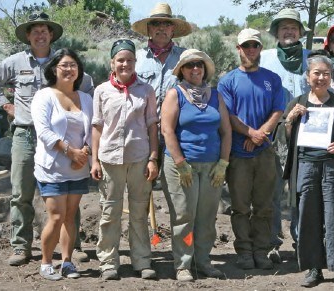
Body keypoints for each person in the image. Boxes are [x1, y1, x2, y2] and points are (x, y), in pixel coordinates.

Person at [0, 12, 93, 266]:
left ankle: (74, 246)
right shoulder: (14, 62)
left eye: (44, 30)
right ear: (28, 35)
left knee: (70, 191)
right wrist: (6, 105)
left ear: (51, 34)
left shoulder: (62, 62)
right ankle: (21, 246)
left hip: (62, 138)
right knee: (21, 192)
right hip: (26, 134)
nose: (39, 34)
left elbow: (87, 86)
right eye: (34, 30)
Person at [283, 51, 334, 287]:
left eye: (326, 73)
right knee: (308, 215)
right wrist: (290, 120)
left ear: (332, 77)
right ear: (308, 77)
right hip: (305, 166)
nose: (321, 78)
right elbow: (284, 137)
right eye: (317, 73)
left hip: (333, 166)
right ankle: (313, 269)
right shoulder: (297, 103)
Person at [90, 39, 160, 280]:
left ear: (135, 62)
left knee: (139, 213)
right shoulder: (101, 91)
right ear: (112, 63)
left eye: (129, 60)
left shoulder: (146, 90)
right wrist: (95, 160)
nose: (125, 64)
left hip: (139, 158)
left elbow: (152, 126)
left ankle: (142, 260)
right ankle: (108, 262)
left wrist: (153, 158)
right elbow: (97, 126)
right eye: (120, 60)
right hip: (110, 159)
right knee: (110, 212)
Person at [161, 49, 232, 281]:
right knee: (184, 215)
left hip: (211, 165)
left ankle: (203, 261)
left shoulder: (215, 95)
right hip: (182, 164)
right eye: (189, 66)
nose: (195, 69)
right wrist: (180, 162)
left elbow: (226, 131)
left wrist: (223, 162)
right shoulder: (175, 94)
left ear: (205, 69)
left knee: (206, 215)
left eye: (199, 65)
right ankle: (183, 264)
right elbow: (167, 130)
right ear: (182, 70)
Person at [218, 28, 284, 270]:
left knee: (265, 206)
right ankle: (244, 251)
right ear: (239, 49)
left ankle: (261, 250)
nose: (251, 50)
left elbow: (278, 110)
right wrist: (250, 133)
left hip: (264, 151)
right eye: (246, 46)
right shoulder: (228, 81)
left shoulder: (272, 79)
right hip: (239, 153)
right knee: (241, 207)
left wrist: (260, 134)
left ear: (260, 48)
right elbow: (229, 116)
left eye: (255, 45)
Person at [31, 49, 93, 281]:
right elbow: (44, 131)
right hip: (52, 167)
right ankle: (46, 262)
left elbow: (92, 130)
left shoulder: (86, 98)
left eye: (73, 65)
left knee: (70, 216)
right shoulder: (44, 96)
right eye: (64, 65)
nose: (69, 69)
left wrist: (84, 152)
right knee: (56, 217)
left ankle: (67, 262)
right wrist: (70, 151)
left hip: (78, 168)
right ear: (54, 69)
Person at [260, 8, 311, 263]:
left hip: (309, 132)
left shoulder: (312, 58)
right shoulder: (265, 59)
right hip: (275, 131)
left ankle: (303, 241)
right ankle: (272, 243)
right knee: (274, 191)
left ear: (301, 32)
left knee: (302, 190)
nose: (289, 31)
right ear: (276, 33)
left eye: (293, 27)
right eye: (284, 28)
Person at [132, 2, 191, 190]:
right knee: (141, 191)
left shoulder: (186, 59)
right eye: (156, 24)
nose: (161, 28)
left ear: (173, 29)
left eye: (166, 24)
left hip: (177, 134)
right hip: (142, 134)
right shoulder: (136, 58)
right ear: (149, 28)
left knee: (177, 190)